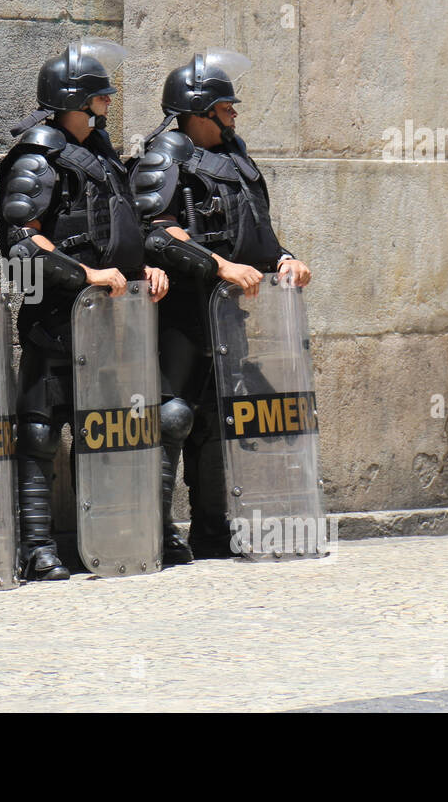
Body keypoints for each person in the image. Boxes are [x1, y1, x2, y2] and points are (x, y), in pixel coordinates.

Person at [0, 39, 168, 582]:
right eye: (98, 95)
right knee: (42, 431)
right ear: (75, 100)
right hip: (57, 317)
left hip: (113, 320)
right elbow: (21, 241)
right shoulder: (36, 155)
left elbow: (122, 226)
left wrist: (143, 270)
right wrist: (88, 275)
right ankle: (37, 546)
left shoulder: (100, 152)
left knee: (110, 429)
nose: (107, 103)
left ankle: (115, 535)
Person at [133, 50, 312, 559]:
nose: (234, 111)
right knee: (173, 416)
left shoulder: (236, 155)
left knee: (217, 414)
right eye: (225, 104)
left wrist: (285, 259)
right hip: (182, 307)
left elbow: (257, 230)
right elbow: (154, 233)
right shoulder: (165, 153)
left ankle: (212, 527)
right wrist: (217, 266)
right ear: (198, 109)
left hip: (230, 307)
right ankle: (157, 533)